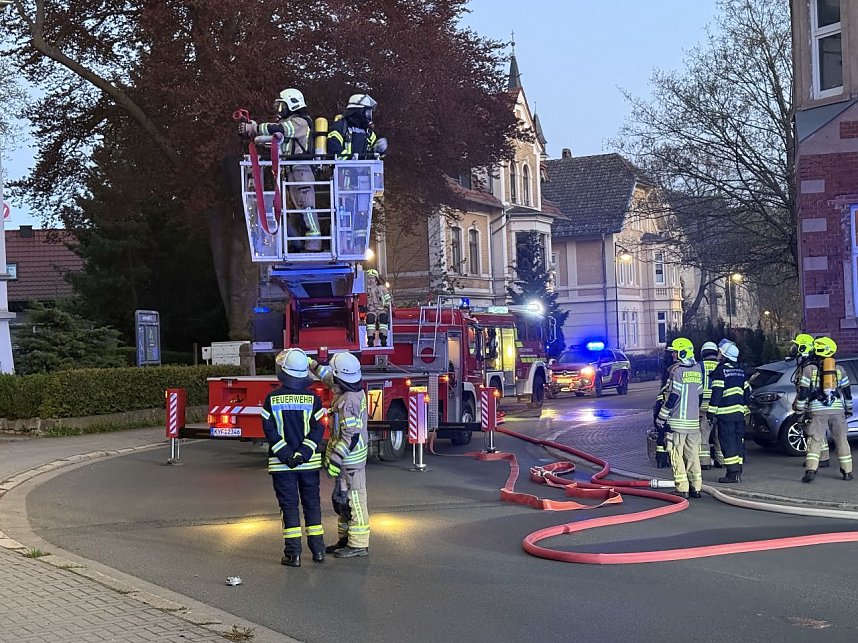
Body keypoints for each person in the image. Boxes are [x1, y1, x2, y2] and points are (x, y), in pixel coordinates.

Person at [261, 347, 326, 567]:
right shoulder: (313, 399)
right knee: (312, 505)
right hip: (309, 463)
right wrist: (304, 452)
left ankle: (293, 554)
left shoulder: (271, 398)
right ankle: (318, 551)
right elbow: (318, 429)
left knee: (289, 507)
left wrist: (287, 454)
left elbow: (269, 430)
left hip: (282, 465)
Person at [239, 88, 322, 251]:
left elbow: (281, 130)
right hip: (290, 172)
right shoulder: (290, 122)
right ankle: (295, 243)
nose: (279, 110)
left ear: (292, 104)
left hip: (301, 171)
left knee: (306, 207)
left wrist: (256, 127)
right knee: (290, 210)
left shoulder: (300, 122)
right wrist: (253, 136)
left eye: (281, 106)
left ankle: (314, 241)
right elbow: (276, 138)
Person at [309, 352, 371, 558]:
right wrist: (314, 365)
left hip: (350, 461)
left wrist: (334, 460)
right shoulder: (347, 388)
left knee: (355, 502)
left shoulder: (349, 401)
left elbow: (349, 437)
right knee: (342, 501)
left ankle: (358, 544)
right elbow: (329, 377)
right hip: (347, 461)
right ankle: (345, 540)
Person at [793, 337, 853, 483]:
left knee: (815, 439)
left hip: (817, 410)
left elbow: (803, 393)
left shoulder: (809, 369)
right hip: (837, 410)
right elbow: (847, 392)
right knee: (841, 440)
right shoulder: (839, 370)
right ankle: (847, 472)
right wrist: (848, 408)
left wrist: (799, 411)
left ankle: (811, 470)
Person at [655, 338, 703, 499]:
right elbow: (700, 396)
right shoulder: (697, 370)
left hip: (677, 423)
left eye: (675, 351)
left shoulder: (677, 371)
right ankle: (696, 487)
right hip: (694, 423)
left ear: (682, 352)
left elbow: (672, 397)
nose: (673, 355)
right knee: (693, 455)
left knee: (676, 455)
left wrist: (661, 418)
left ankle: (682, 488)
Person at [708, 341, 751, 484]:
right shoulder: (740, 371)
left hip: (726, 415)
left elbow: (717, 394)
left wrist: (710, 413)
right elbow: (747, 393)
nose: (718, 355)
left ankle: (732, 474)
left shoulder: (721, 372)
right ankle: (738, 470)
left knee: (728, 443)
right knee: (738, 442)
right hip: (739, 414)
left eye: (720, 352)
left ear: (725, 355)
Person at [789, 333, 830, 468]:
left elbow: (805, 389)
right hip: (812, 402)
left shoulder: (809, 367)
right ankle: (823, 458)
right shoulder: (809, 365)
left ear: (804, 348)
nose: (794, 349)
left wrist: (800, 407)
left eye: (797, 346)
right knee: (817, 431)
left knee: (812, 431)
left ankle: (814, 461)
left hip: (810, 403)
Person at [327, 93, 388, 159]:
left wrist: (380, 151)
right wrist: (353, 162)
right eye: (367, 112)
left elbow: (373, 156)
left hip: (364, 169)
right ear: (358, 111)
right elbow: (335, 153)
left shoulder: (368, 132)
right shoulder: (339, 128)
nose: (369, 116)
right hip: (342, 169)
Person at [698, 341, 721, 470]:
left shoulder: (699, 366)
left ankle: (704, 461)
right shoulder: (721, 366)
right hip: (719, 406)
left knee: (703, 434)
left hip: (703, 407)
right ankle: (721, 460)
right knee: (719, 434)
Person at [365, 268, 392, 347]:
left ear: (376, 279)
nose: (370, 280)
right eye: (368, 278)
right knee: (370, 318)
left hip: (381, 309)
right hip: (370, 310)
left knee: (383, 318)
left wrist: (387, 307)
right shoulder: (364, 290)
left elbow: (388, 299)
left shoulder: (382, 288)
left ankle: (383, 339)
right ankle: (370, 339)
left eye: (372, 278)